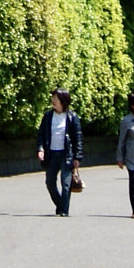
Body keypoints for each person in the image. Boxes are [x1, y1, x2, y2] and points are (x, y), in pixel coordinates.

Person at [36, 88, 82, 217]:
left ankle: (64, 211)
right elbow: (41, 135)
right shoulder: (48, 116)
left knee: (66, 183)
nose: (53, 100)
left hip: (66, 154)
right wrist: (40, 149)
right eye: (53, 98)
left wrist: (77, 156)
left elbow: (77, 138)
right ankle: (61, 205)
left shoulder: (72, 117)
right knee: (50, 182)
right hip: (51, 154)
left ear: (63, 100)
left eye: (56, 98)